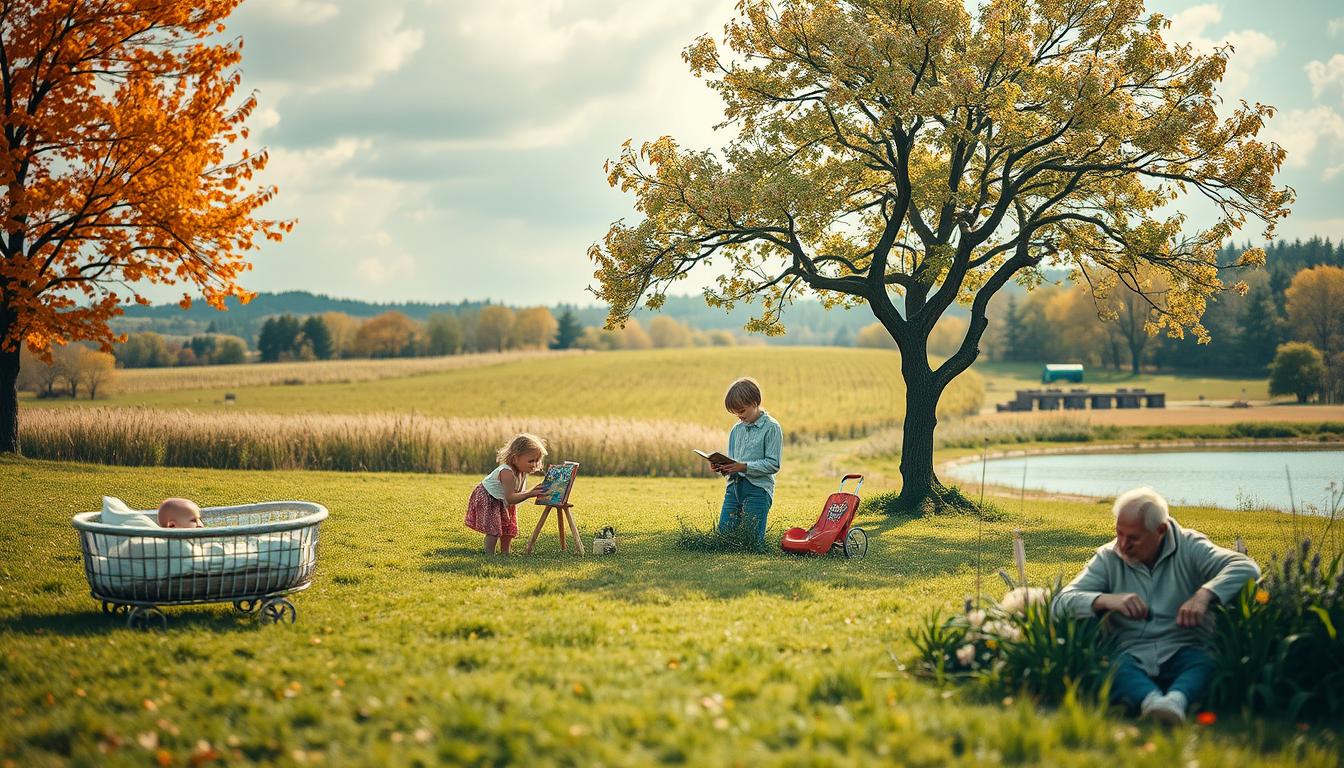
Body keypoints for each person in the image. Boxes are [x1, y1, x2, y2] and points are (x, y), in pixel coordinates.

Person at [1053, 486, 1260, 724]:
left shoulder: (1190, 545)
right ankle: (1156, 702)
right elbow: (1060, 602)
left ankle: (1173, 701)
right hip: (1130, 652)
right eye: (1119, 533)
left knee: (1209, 665)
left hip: (1185, 648)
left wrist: (1204, 596)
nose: (1122, 544)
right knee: (1109, 668)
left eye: (1133, 538)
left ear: (1160, 530)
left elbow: (1246, 567)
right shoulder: (1108, 556)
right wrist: (1106, 600)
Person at [713, 377, 783, 544]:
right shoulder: (736, 430)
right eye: (735, 413)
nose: (739, 416)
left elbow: (773, 464)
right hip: (734, 489)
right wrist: (722, 466)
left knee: (751, 542)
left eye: (742, 411)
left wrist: (743, 467)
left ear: (755, 402)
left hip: (758, 490)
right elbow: (733, 463)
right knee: (723, 539)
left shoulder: (772, 428)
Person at [465, 433, 550, 554]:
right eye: (531, 461)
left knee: (508, 528)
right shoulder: (507, 473)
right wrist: (529, 493)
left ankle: (506, 552)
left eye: (537, 461)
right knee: (493, 529)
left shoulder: (521, 471)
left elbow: (513, 495)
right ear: (515, 458)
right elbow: (510, 498)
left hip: (502, 499)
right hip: (489, 497)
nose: (535, 465)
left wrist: (530, 491)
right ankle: (489, 554)